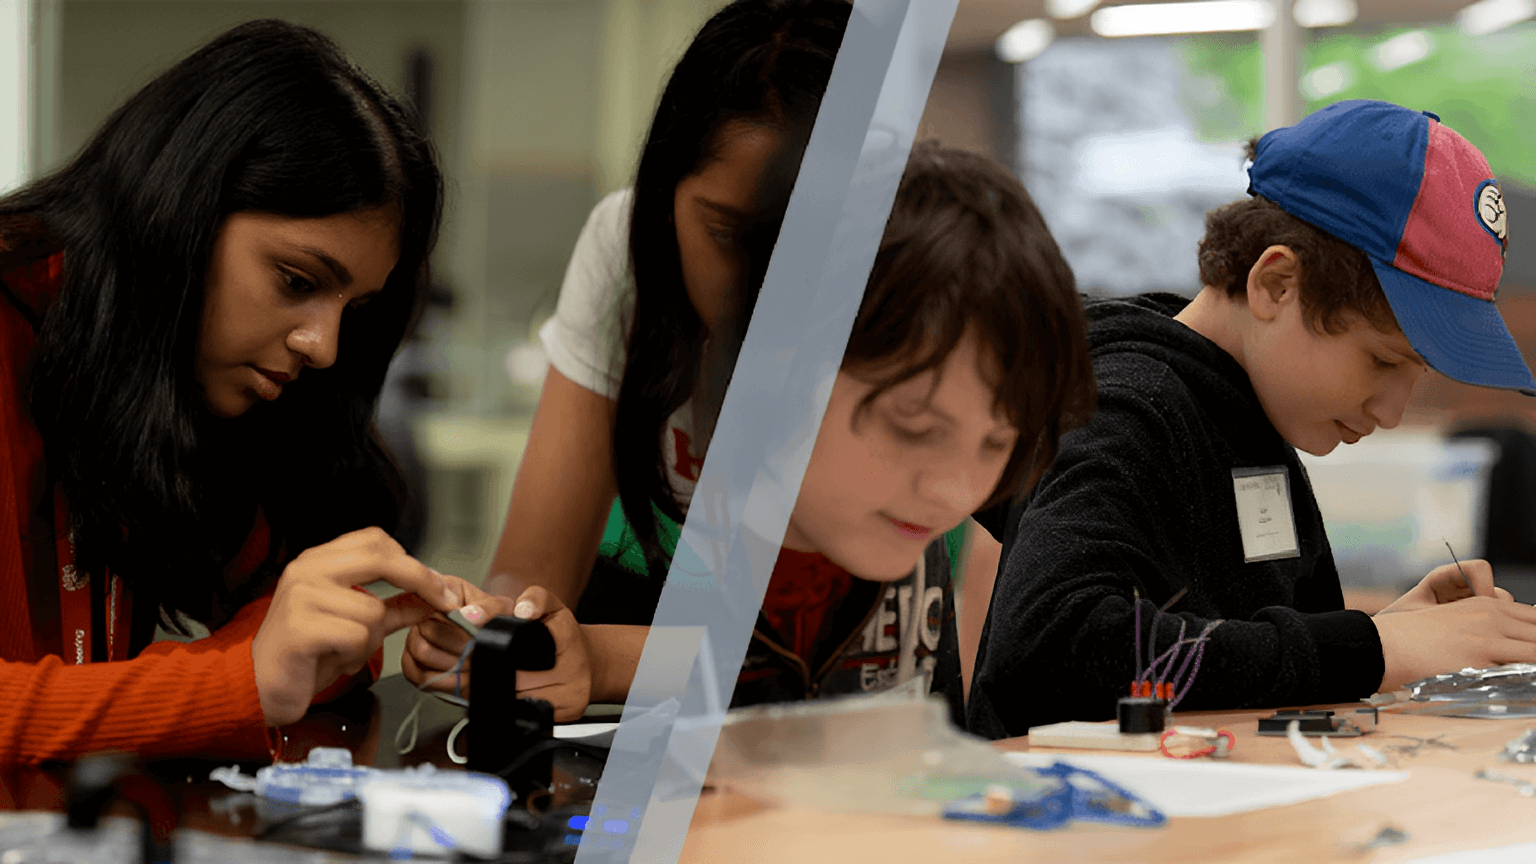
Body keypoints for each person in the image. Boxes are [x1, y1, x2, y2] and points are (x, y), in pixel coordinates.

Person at [405, 140, 1096, 725]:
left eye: (996, 442)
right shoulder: (667, 504)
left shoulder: (918, 515)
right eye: (912, 426)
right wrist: (573, 655)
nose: (953, 488)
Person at [968, 100, 1536, 739]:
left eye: (1417, 373)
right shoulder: (1134, 408)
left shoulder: (1252, 418)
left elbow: (1245, 651)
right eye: (1381, 361)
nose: (1392, 409)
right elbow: (1053, 644)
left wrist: (1397, 631)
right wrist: (1372, 649)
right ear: (1276, 284)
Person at [0, 20, 471, 764]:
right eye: (296, 281)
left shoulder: (187, 377)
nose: (324, 347)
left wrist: (339, 633)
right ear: (181, 211)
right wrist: (233, 681)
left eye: (353, 309)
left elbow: (301, 646)